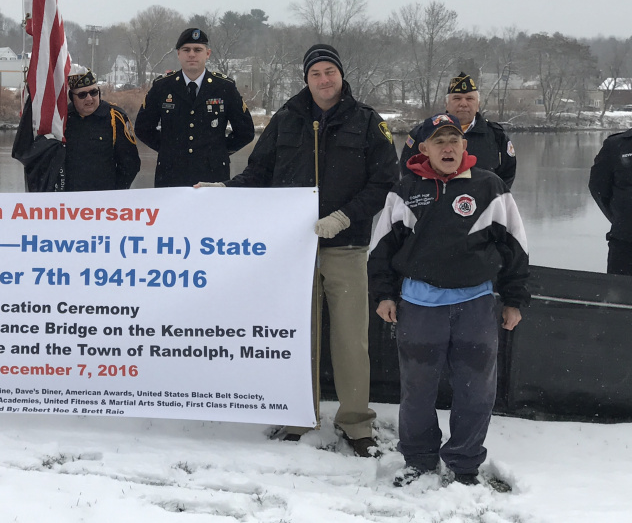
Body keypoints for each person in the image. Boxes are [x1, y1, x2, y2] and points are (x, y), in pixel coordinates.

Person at [212, 43, 397, 456]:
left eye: (330, 71)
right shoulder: (287, 119)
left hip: (345, 245)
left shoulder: (367, 121)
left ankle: (355, 422)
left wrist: (345, 216)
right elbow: (259, 172)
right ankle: (299, 414)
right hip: (293, 249)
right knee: (299, 336)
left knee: (351, 340)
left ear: (341, 75)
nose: (324, 80)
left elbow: (384, 181)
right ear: (306, 79)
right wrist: (224, 192)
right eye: (316, 74)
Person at [369, 112, 528, 489]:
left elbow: (517, 247)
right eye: (439, 141)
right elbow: (380, 250)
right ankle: (420, 459)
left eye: (454, 140)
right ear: (424, 149)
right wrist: (383, 295)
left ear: (464, 146)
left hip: (475, 306)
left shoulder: (491, 187)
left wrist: (514, 299)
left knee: (477, 391)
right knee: (417, 391)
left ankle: (464, 464)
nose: (448, 148)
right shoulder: (404, 189)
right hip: (419, 308)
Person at [134, 27, 254, 187]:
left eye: (198, 50)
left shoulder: (225, 87)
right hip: (170, 175)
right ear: (178, 54)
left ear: (208, 53)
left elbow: (246, 131)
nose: (191, 54)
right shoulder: (162, 87)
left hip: (212, 175)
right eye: (186, 49)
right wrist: (168, 149)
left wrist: (218, 152)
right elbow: (143, 128)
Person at [399, 73, 516, 188]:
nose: (463, 104)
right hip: (433, 204)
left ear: (478, 104)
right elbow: (407, 172)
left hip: (482, 204)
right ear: (446, 104)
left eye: (470, 98)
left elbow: (507, 175)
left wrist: (490, 198)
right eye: (457, 98)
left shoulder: (496, 135)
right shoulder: (422, 133)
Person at [63, 68, 140, 191]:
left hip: (104, 200)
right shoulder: (63, 119)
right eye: (82, 95)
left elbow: (130, 164)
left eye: (93, 92)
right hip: (69, 201)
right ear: (72, 97)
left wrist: (114, 193)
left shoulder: (115, 118)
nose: (89, 99)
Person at [589, 127, 632, 276]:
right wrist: (621, 219)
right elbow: (598, 187)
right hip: (625, 244)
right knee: (619, 296)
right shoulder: (615, 145)